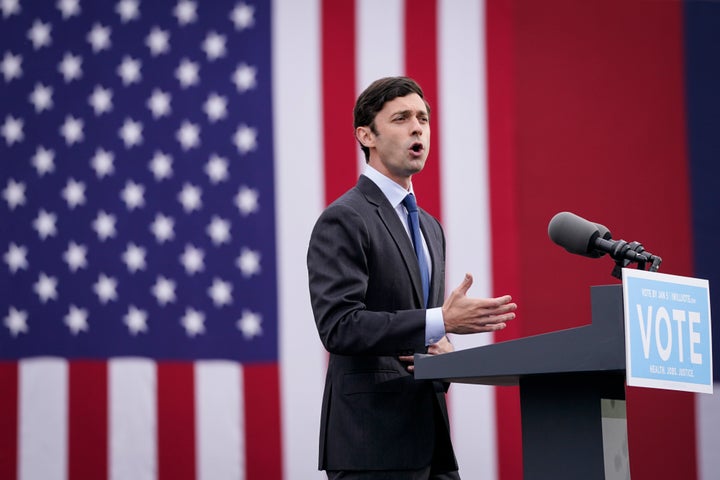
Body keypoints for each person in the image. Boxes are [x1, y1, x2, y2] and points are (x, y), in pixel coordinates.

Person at [307, 76, 517, 479]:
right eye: (401, 118)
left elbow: (422, 327)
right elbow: (339, 326)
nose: (417, 127)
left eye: (423, 118)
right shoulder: (345, 219)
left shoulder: (430, 228)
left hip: (431, 444)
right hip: (371, 445)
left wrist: (444, 354)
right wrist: (442, 320)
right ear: (365, 134)